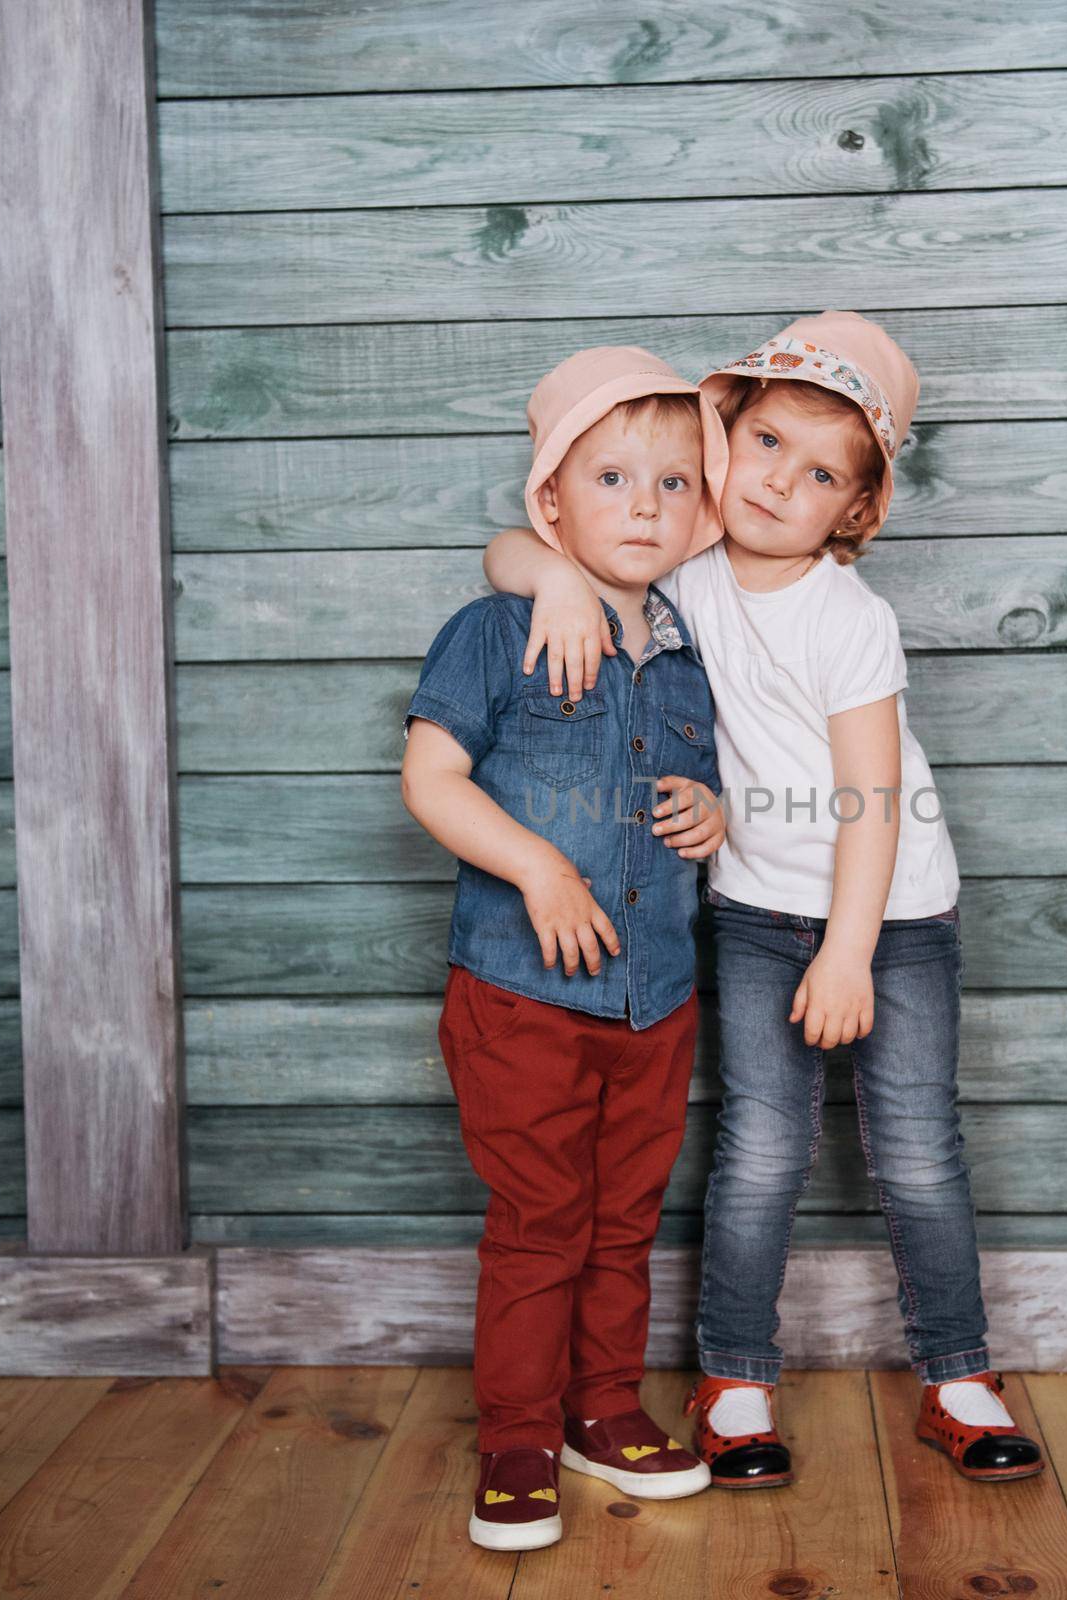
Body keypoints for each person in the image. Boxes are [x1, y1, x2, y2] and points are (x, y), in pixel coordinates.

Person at [479, 313, 1046, 1489]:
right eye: (767, 441)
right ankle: (735, 1382)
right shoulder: (676, 568)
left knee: (917, 1152)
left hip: (887, 918)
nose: (783, 480)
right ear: (719, 439)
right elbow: (506, 547)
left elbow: (871, 797)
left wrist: (847, 953)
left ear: (855, 509)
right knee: (758, 1152)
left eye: (823, 470)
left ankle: (958, 1374)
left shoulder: (849, 616)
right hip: (747, 912)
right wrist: (551, 583)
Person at [400, 346, 731, 1551]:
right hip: (521, 997)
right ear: (549, 503)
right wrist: (538, 863)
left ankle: (603, 1408)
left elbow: (686, 787)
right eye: (610, 478)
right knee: (542, 1217)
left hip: (652, 1000)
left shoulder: (694, 651)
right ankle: (518, 1434)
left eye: (674, 482)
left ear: (702, 511)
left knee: (625, 1218)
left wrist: (714, 813)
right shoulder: (498, 626)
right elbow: (430, 778)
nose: (644, 504)